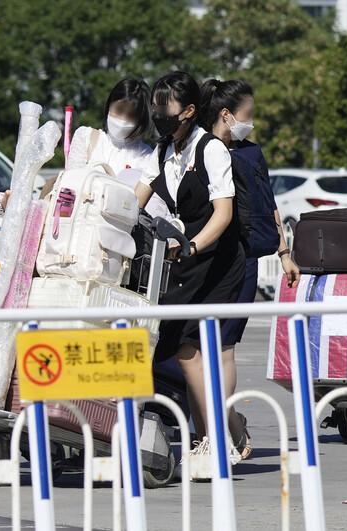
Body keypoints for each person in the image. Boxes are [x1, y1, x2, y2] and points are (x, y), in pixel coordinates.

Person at [134, 71, 245, 464]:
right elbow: (137, 198)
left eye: (166, 107)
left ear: (190, 111)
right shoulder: (163, 149)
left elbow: (224, 213)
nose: (159, 113)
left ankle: (214, 438)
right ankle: (216, 434)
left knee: (187, 348)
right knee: (183, 349)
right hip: (187, 256)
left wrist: (195, 244)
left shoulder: (211, 149)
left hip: (218, 260)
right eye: (156, 106)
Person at [197, 78, 300, 459]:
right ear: (226, 114)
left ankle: (223, 429)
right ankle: (226, 423)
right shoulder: (198, 149)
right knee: (196, 347)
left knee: (223, 348)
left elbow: (269, 202)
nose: (250, 123)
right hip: (203, 260)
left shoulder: (251, 153)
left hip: (243, 261)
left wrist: (284, 252)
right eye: (248, 115)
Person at [64, 77, 169, 219]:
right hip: (81, 225)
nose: (123, 119)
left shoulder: (147, 156)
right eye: (119, 110)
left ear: (141, 119)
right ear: (109, 105)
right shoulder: (86, 137)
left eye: (131, 115)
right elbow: (71, 185)